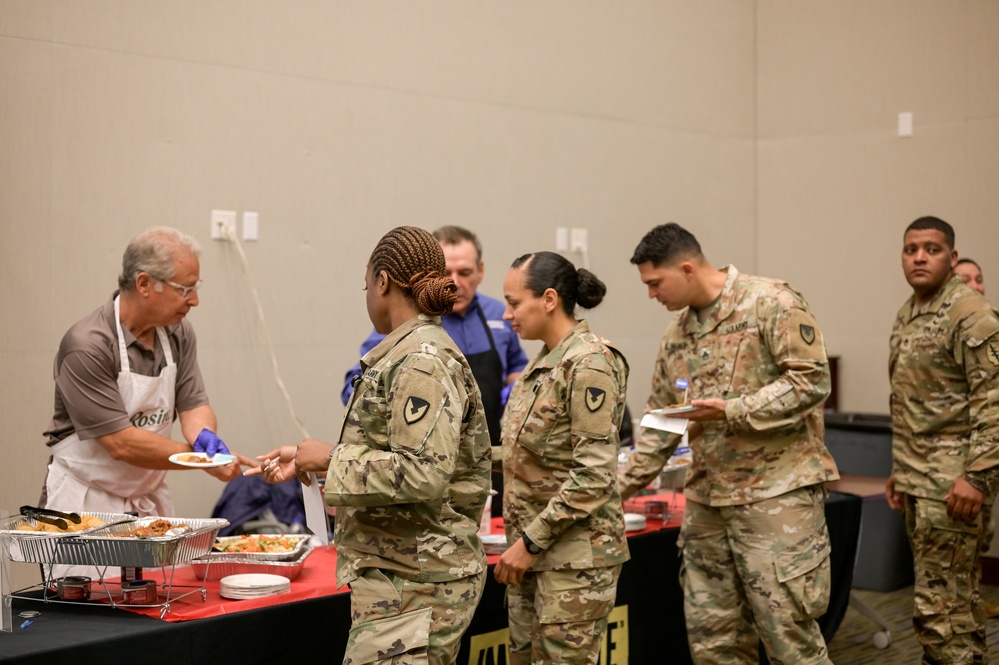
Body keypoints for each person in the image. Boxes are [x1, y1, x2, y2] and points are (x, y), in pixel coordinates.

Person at [249, 226, 491, 665]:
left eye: (367, 286)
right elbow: (393, 447)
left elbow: (423, 472)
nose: (366, 297)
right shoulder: (406, 353)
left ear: (383, 282)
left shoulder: (421, 360)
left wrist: (329, 458)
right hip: (403, 578)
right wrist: (314, 460)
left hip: (416, 582)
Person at [618, 223, 839, 665]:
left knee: (788, 641)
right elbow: (663, 421)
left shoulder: (771, 303)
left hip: (775, 497)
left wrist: (732, 409)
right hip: (708, 505)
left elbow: (812, 381)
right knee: (713, 642)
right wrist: (617, 487)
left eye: (655, 283)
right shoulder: (676, 334)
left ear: (686, 268)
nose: (651, 296)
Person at [42, 226, 246, 521]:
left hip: (146, 500)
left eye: (196, 288)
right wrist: (199, 459)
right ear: (144, 283)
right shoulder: (87, 346)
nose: (195, 301)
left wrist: (204, 435)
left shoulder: (178, 333)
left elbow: (193, 405)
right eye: (185, 290)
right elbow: (121, 444)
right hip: (82, 503)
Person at [495, 251, 630, 665]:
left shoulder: (589, 363)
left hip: (573, 563)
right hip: (530, 556)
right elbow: (522, 454)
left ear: (549, 299)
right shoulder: (543, 364)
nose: (505, 315)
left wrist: (530, 543)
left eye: (514, 303)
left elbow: (593, 475)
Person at [342, 226, 527, 517]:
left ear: (480, 270)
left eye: (465, 273)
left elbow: (516, 365)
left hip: (477, 461)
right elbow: (360, 380)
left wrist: (515, 388)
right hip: (421, 472)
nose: (455, 282)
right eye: (449, 273)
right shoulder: (402, 330)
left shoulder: (499, 316)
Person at [886, 216, 999, 662]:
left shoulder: (969, 313)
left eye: (931, 249)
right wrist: (900, 469)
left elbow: (994, 402)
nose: (919, 257)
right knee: (958, 605)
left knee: (939, 611)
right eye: (911, 248)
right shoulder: (909, 312)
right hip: (919, 480)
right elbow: (912, 400)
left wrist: (977, 477)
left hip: (954, 487)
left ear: (952, 258)